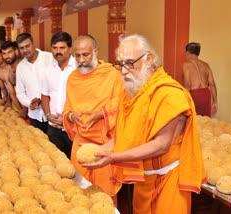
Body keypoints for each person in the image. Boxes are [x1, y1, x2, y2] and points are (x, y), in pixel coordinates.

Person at [83, 34, 206, 213]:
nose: (124, 71)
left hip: (168, 180)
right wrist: (103, 150)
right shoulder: (133, 92)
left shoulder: (169, 94)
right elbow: (126, 135)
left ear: (148, 59)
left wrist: (113, 157)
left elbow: (161, 145)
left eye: (130, 63)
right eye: (120, 64)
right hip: (143, 178)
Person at [62, 34, 124, 196]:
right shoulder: (72, 79)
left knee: (104, 194)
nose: (81, 59)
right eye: (77, 55)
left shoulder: (111, 74)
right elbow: (67, 108)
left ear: (95, 51)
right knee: (79, 190)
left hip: (105, 141)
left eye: (86, 54)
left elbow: (122, 103)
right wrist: (70, 117)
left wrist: (101, 113)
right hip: (81, 141)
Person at [41, 32, 76, 159]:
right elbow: (45, 95)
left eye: (62, 48)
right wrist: (48, 115)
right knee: (57, 162)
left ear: (70, 49)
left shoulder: (78, 69)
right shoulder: (48, 69)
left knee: (76, 164)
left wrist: (68, 119)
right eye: (55, 48)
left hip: (73, 128)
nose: (58, 52)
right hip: (53, 127)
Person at [16, 32, 53, 133]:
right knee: (38, 145)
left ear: (33, 43)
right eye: (21, 48)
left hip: (53, 114)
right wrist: (29, 103)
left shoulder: (50, 58)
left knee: (55, 146)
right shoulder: (20, 67)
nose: (25, 50)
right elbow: (20, 92)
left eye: (27, 46)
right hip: (34, 116)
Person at [183, 42, 218, 117]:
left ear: (187, 52)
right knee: (205, 119)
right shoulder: (206, 65)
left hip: (194, 94)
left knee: (193, 120)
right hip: (206, 94)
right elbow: (212, 84)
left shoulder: (186, 65)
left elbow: (187, 84)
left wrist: (185, 101)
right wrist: (215, 102)